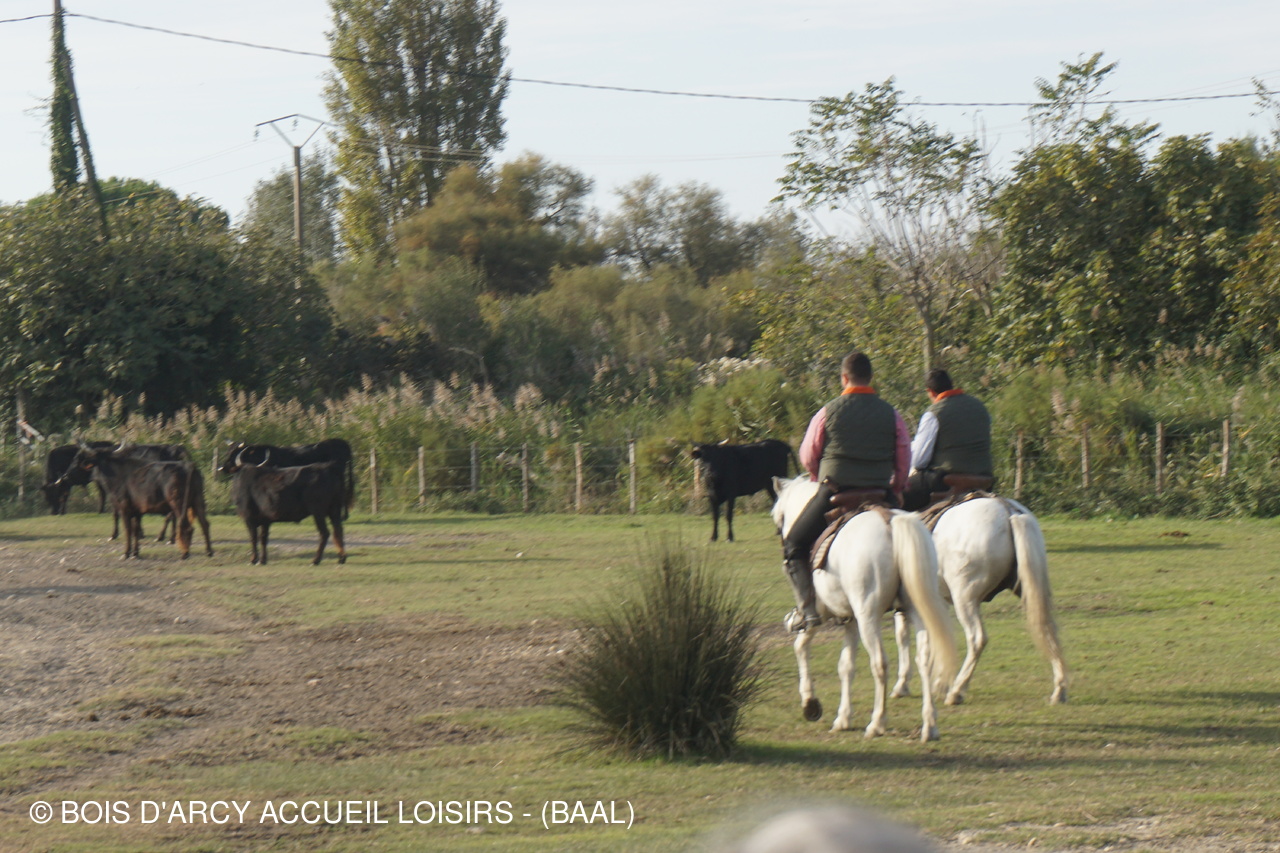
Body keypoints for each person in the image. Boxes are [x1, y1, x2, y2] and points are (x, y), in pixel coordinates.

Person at [783, 352, 910, 633]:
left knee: (794, 545)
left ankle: (808, 611)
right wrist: (898, 488)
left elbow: (808, 455)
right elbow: (903, 455)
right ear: (871, 378)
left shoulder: (827, 412)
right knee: (915, 539)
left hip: (836, 492)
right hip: (880, 493)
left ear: (843, 378)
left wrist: (818, 476)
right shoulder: (891, 414)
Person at [901, 368, 994, 512]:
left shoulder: (934, 413)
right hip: (984, 479)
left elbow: (919, 461)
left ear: (930, 392)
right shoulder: (979, 407)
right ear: (951, 384)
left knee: (895, 496)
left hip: (945, 481)